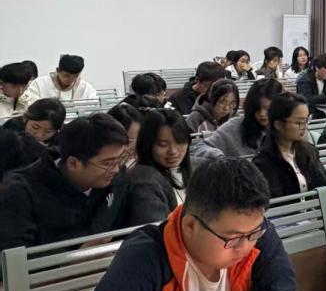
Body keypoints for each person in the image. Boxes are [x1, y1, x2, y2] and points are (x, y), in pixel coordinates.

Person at [86, 157, 296, 291]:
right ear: (190, 226)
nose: (244, 247)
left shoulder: (258, 234)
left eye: (254, 233)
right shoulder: (143, 257)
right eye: (232, 238)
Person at [0, 113, 129, 251]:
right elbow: (13, 255)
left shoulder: (115, 177)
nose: (116, 169)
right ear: (73, 163)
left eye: (120, 159)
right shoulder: (18, 191)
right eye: (108, 163)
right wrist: (73, 256)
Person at [253, 93, 326, 197]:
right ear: (278, 124)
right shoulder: (263, 163)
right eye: (299, 122)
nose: (305, 127)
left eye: (306, 121)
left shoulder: (308, 151)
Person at [192, 79, 284, 165]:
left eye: (267, 108)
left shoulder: (287, 127)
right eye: (257, 108)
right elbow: (199, 148)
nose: (262, 114)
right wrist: (220, 158)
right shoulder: (236, 126)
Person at [126, 109, 192, 225]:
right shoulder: (143, 181)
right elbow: (157, 228)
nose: (173, 151)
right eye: (163, 145)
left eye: (180, 142)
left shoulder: (197, 169)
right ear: (148, 144)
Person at [22, 54, 98, 104]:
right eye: (67, 75)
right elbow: (28, 102)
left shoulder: (85, 87)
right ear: (58, 70)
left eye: (76, 76)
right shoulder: (40, 83)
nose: (71, 80)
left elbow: (94, 105)